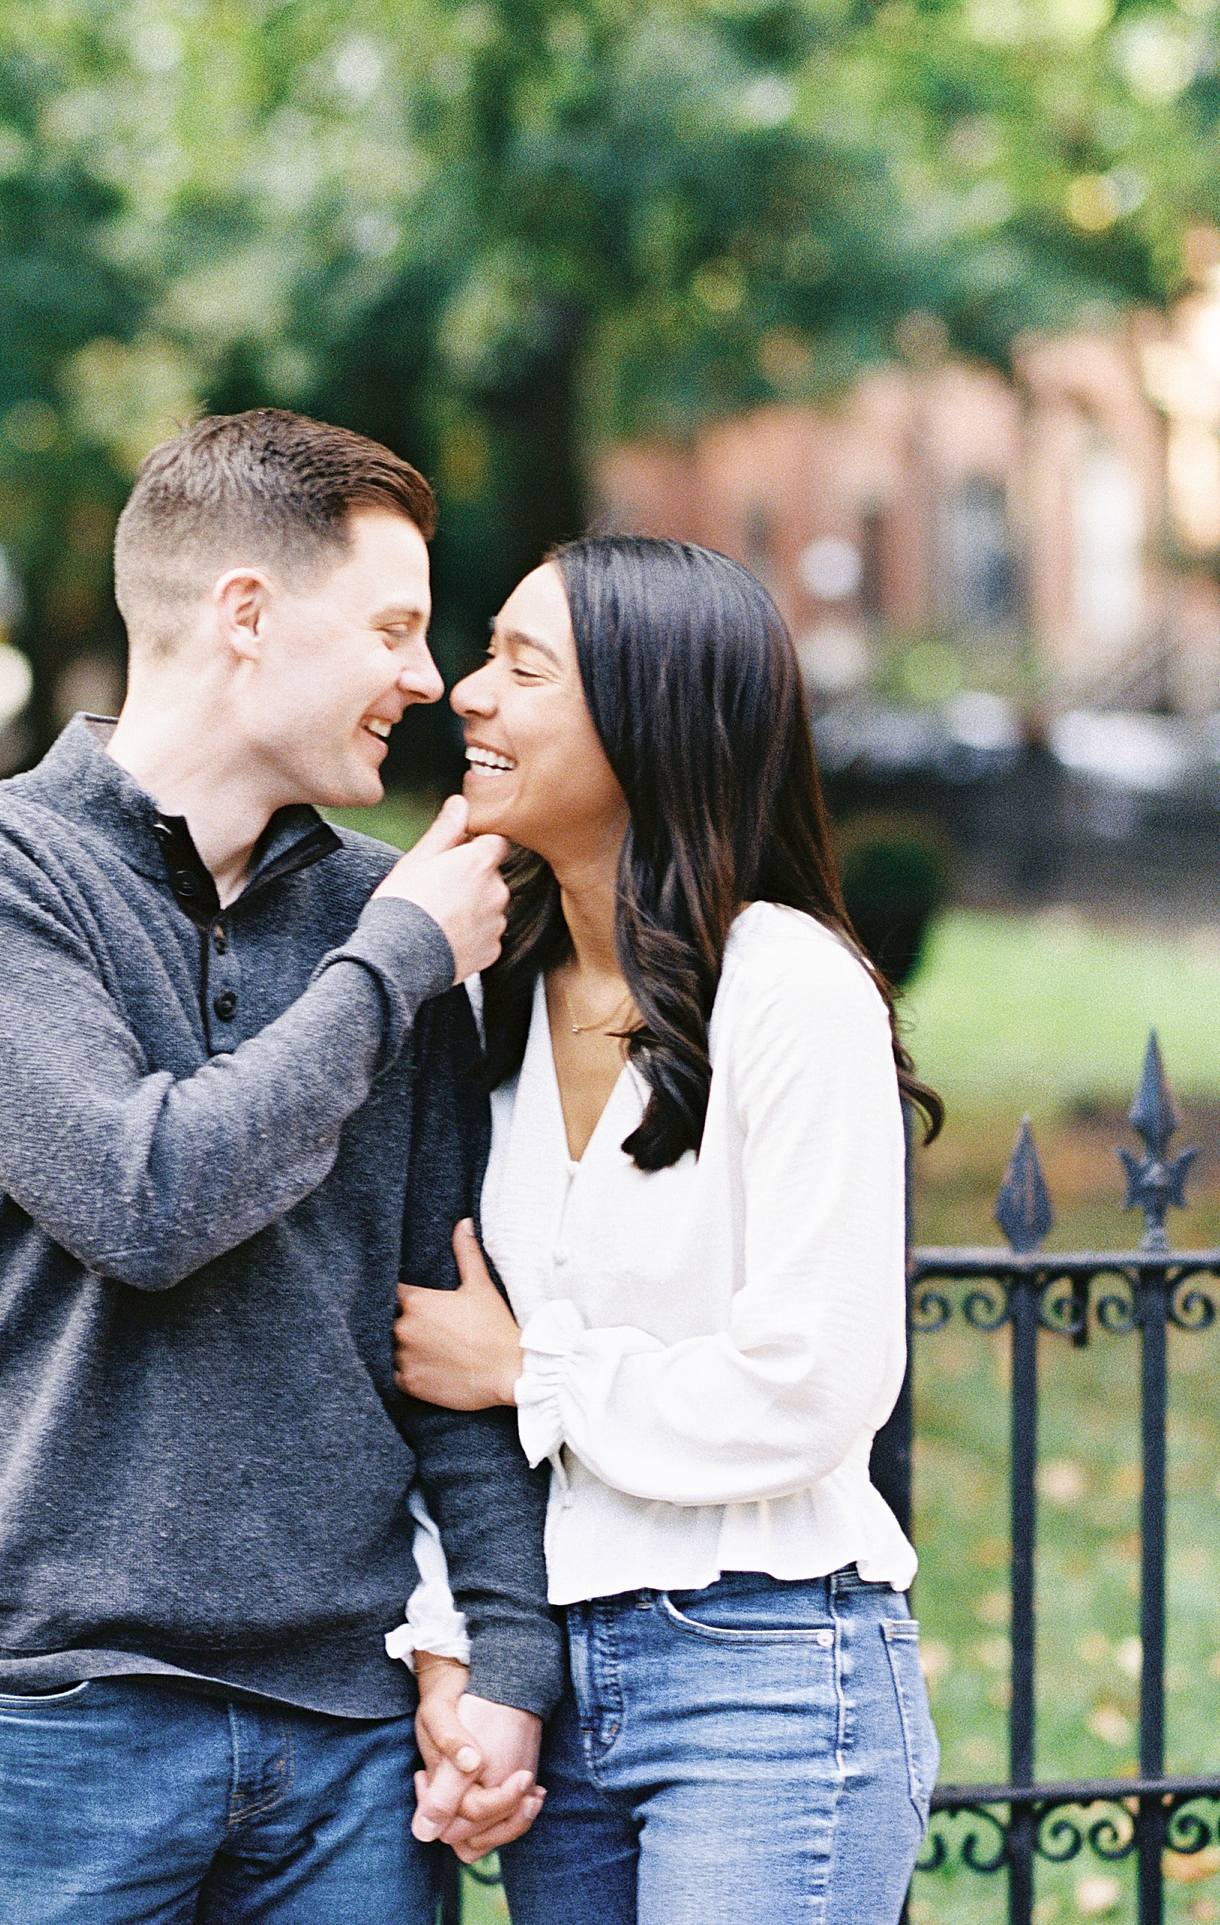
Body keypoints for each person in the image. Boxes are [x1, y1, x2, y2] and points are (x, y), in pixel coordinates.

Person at [0, 409, 563, 1925]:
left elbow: (445, 1319)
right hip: (71, 1718)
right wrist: (390, 971)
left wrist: (505, 1654)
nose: (425, 676)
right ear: (245, 615)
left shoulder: (397, 913)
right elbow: (146, 1197)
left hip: (353, 1739)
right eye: (391, 624)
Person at [393, 535, 942, 1924]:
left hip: (765, 1658)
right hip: (560, 1690)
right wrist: (460, 1652)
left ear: (648, 719)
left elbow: (816, 1382)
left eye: (523, 667)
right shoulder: (488, 1001)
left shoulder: (791, 990)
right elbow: (424, 1380)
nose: (466, 691)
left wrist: (536, 1371)